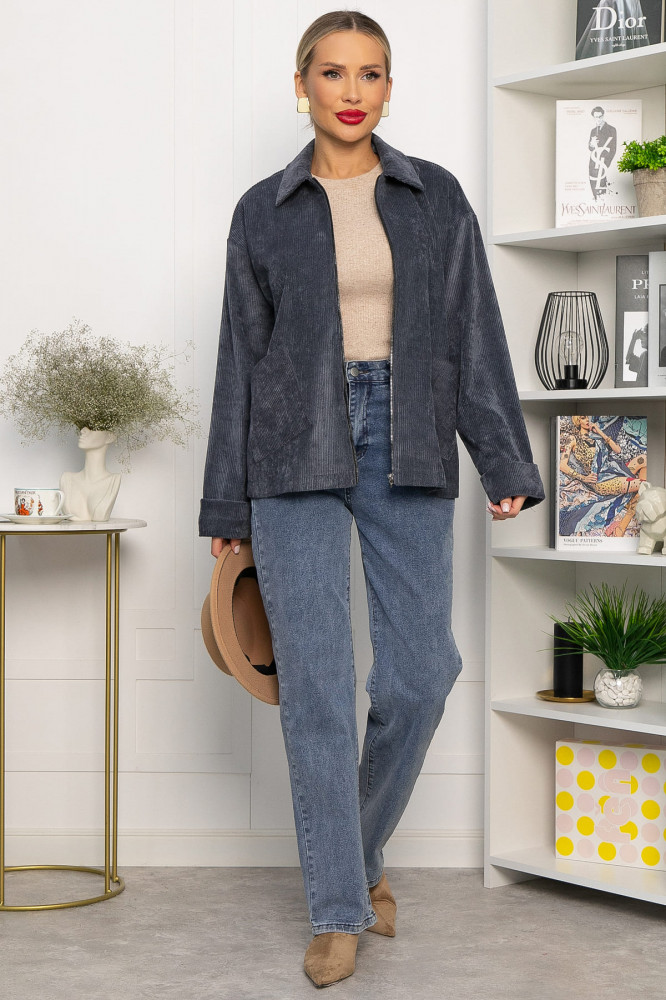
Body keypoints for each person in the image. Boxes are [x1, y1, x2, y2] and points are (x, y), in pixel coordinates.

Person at [198, 10, 545, 989]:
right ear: (301, 84)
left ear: (389, 89)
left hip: (411, 432)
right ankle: (339, 909)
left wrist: (504, 463)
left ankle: (353, 855)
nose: (352, 91)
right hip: (291, 445)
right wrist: (226, 506)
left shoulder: (436, 196)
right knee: (315, 687)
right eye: (333, 72)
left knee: (420, 675)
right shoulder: (262, 212)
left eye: (371, 73)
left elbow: (474, 332)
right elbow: (239, 359)